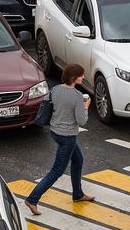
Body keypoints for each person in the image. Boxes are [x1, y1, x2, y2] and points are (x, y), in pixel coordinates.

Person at [25, 64, 94, 215]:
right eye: (81, 75)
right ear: (73, 78)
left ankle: (78, 194)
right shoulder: (76, 96)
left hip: (55, 132)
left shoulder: (55, 89)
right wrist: (86, 106)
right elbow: (81, 120)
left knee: (78, 160)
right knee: (57, 170)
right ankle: (32, 199)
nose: (83, 78)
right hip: (67, 136)